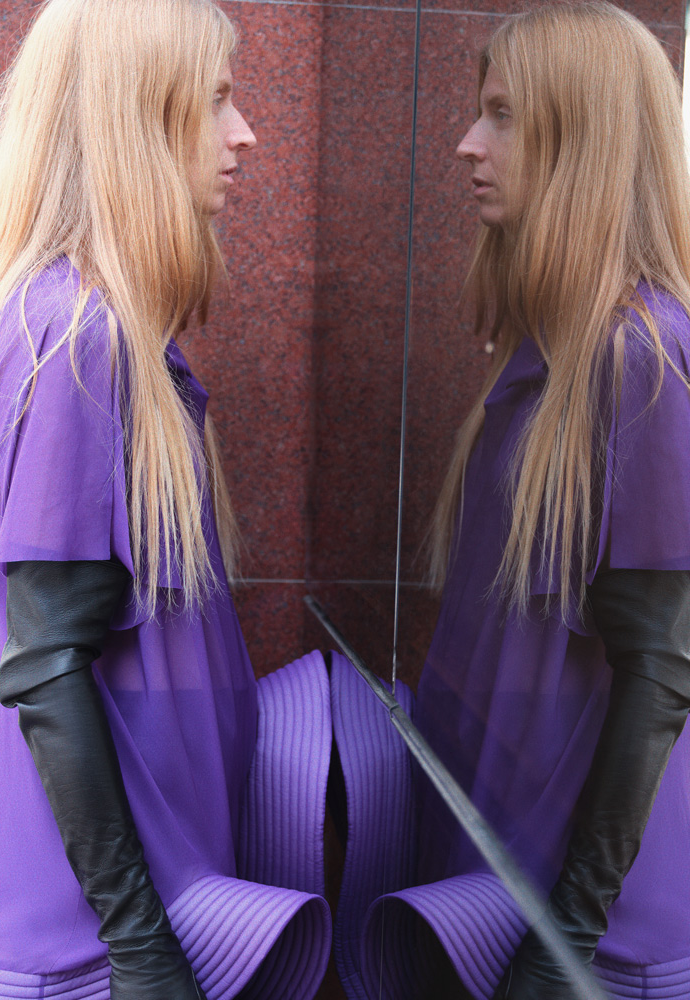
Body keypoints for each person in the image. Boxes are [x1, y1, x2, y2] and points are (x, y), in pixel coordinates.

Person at [332, 3, 690, 999]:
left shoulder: (643, 355)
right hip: (496, 891)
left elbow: (661, 671)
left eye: (500, 115)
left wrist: (563, 940)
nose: (464, 143)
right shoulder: (549, 353)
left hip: (588, 939)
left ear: (582, 138)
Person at [0, 1, 331, 998]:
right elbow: (46, 666)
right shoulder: (77, 335)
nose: (244, 132)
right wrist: (141, 950)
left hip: (129, 921)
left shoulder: (110, 331)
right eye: (215, 99)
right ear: (136, 120)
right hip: (88, 951)